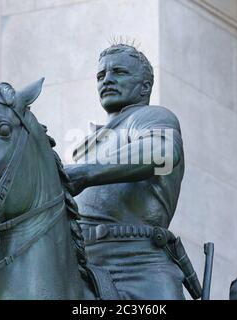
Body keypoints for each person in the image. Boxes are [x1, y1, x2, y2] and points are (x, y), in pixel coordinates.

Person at [65, 44, 190, 299]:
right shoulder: (80, 150)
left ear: (145, 87)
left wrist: (86, 173)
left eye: (119, 72)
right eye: (101, 76)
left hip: (139, 263)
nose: (107, 80)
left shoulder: (152, 117)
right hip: (79, 262)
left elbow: (162, 153)